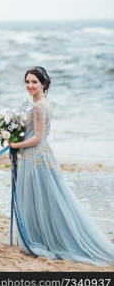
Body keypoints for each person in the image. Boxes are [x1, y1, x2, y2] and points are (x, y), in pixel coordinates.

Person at [8, 66, 114, 267]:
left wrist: (15, 144)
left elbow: (37, 138)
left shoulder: (39, 106)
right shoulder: (44, 103)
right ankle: (41, 234)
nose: (30, 85)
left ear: (44, 84)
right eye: (27, 81)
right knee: (46, 198)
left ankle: (44, 238)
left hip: (34, 157)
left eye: (34, 82)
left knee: (40, 198)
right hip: (42, 155)